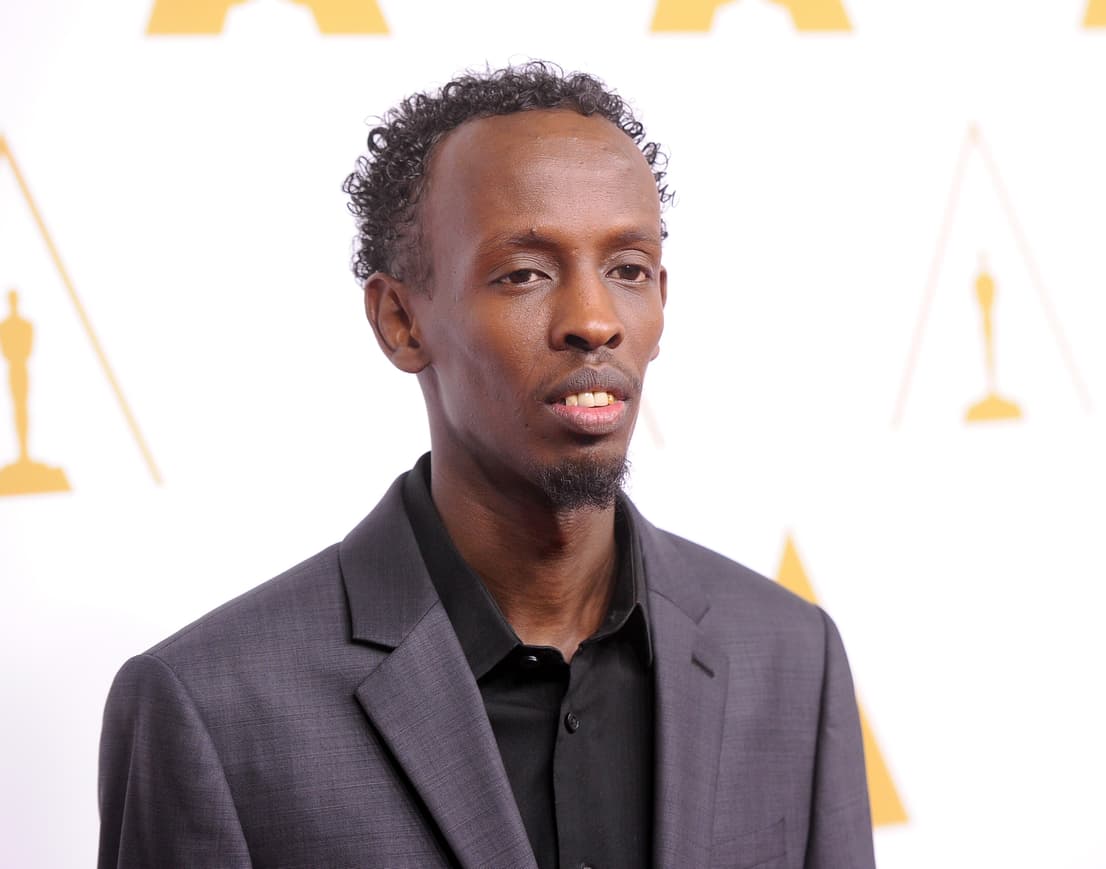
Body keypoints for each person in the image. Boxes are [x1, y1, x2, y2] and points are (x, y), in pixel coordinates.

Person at [97, 62, 875, 869]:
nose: (594, 320)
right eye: (525, 273)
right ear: (401, 321)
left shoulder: (792, 656)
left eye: (628, 269)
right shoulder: (213, 708)